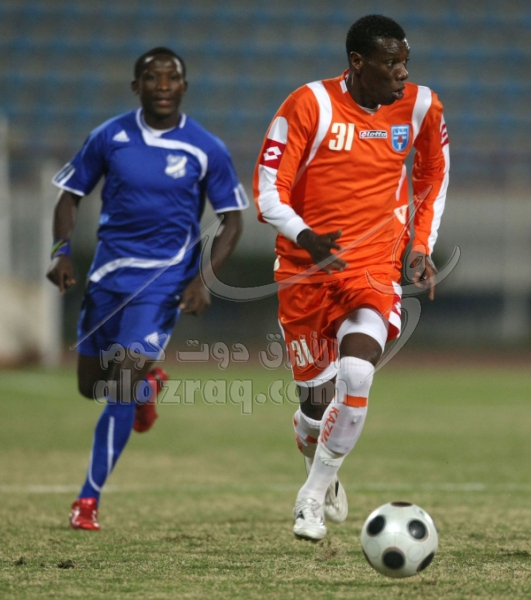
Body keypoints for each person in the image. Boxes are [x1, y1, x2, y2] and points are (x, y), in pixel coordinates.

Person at [253, 15, 449, 541]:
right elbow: (268, 191)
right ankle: (312, 440)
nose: (402, 73)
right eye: (390, 63)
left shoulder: (422, 106)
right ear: (358, 63)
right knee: (315, 410)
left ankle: (311, 498)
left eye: (405, 62)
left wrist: (421, 244)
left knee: (357, 373)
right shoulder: (309, 104)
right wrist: (306, 236)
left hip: (373, 267)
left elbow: (433, 172)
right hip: (304, 270)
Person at [47, 47, 248, 531]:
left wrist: (202, 279)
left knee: (118, 387)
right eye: (152, 78)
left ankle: (87, 501)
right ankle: (148, 387)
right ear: (136, 86)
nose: (162, 86)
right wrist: (60, 251)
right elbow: (70, 196)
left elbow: (233, 221)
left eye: (171, 77)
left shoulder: (205, 147)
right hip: (106, 280)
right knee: (91, 387)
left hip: (162, 286)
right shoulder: (109, 136)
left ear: (184, 87)